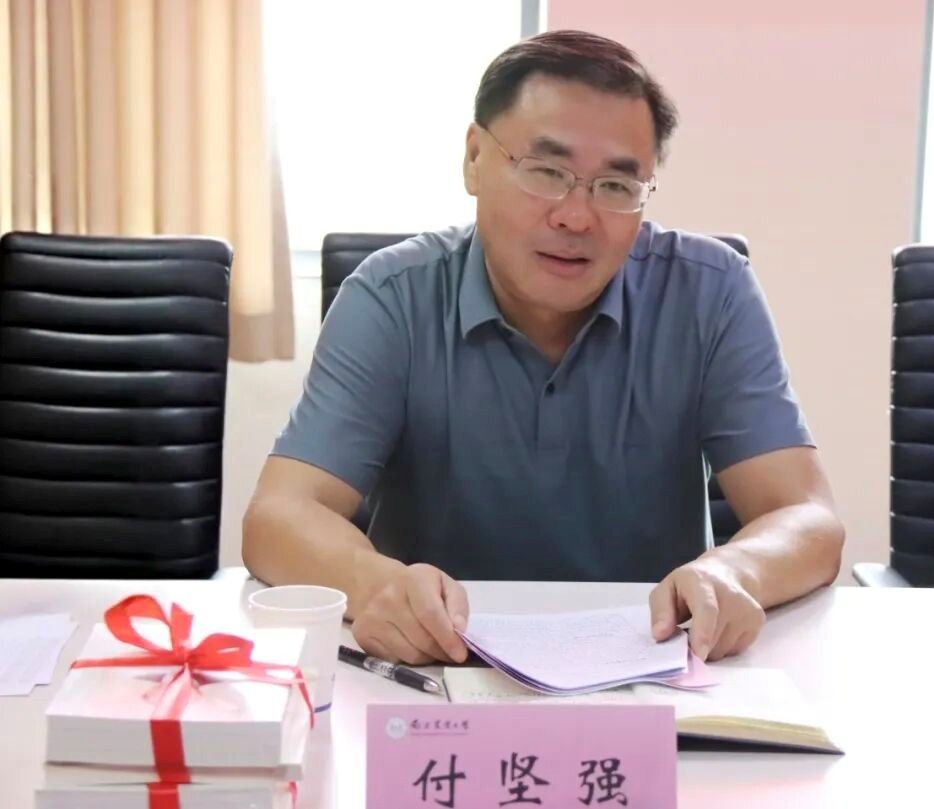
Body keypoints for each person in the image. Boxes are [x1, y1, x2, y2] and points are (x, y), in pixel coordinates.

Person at [243, 29, 844, 667]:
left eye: (616, 186)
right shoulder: (392, 297)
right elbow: (279, 515)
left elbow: (807, 517)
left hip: (654, 667)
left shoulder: (709, 291)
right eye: (547, 172)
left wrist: (735, 572)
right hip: (436, 667)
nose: (576, 217)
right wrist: (372, 583)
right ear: (474, 158)